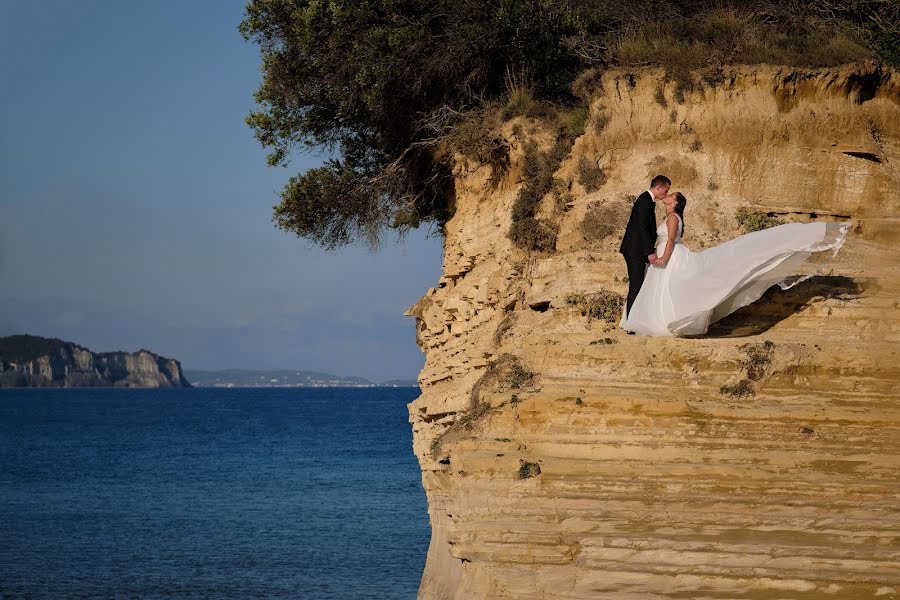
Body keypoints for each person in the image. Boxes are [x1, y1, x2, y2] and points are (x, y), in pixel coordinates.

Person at [619, 191, 851, 336]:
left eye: (671, 195)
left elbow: (670, 239)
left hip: (671, 255)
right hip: (670, 254)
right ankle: (663, 318)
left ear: (675, 203)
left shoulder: (671, 218)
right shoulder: (674, 217)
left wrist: (663, 258)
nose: (667, 196)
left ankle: (661, 320)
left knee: (671, 288)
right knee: (667, 289)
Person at [619, 175, 671, 322]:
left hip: (636, 249)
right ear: (658, 187)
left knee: (638, 284)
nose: (665, 194)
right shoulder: (645, 201)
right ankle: (631, 323)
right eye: (665, 190)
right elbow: (642, 228)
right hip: (635, 250)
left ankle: (634, 321)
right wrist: (649, 252)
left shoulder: (647, 200)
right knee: (636, 285)